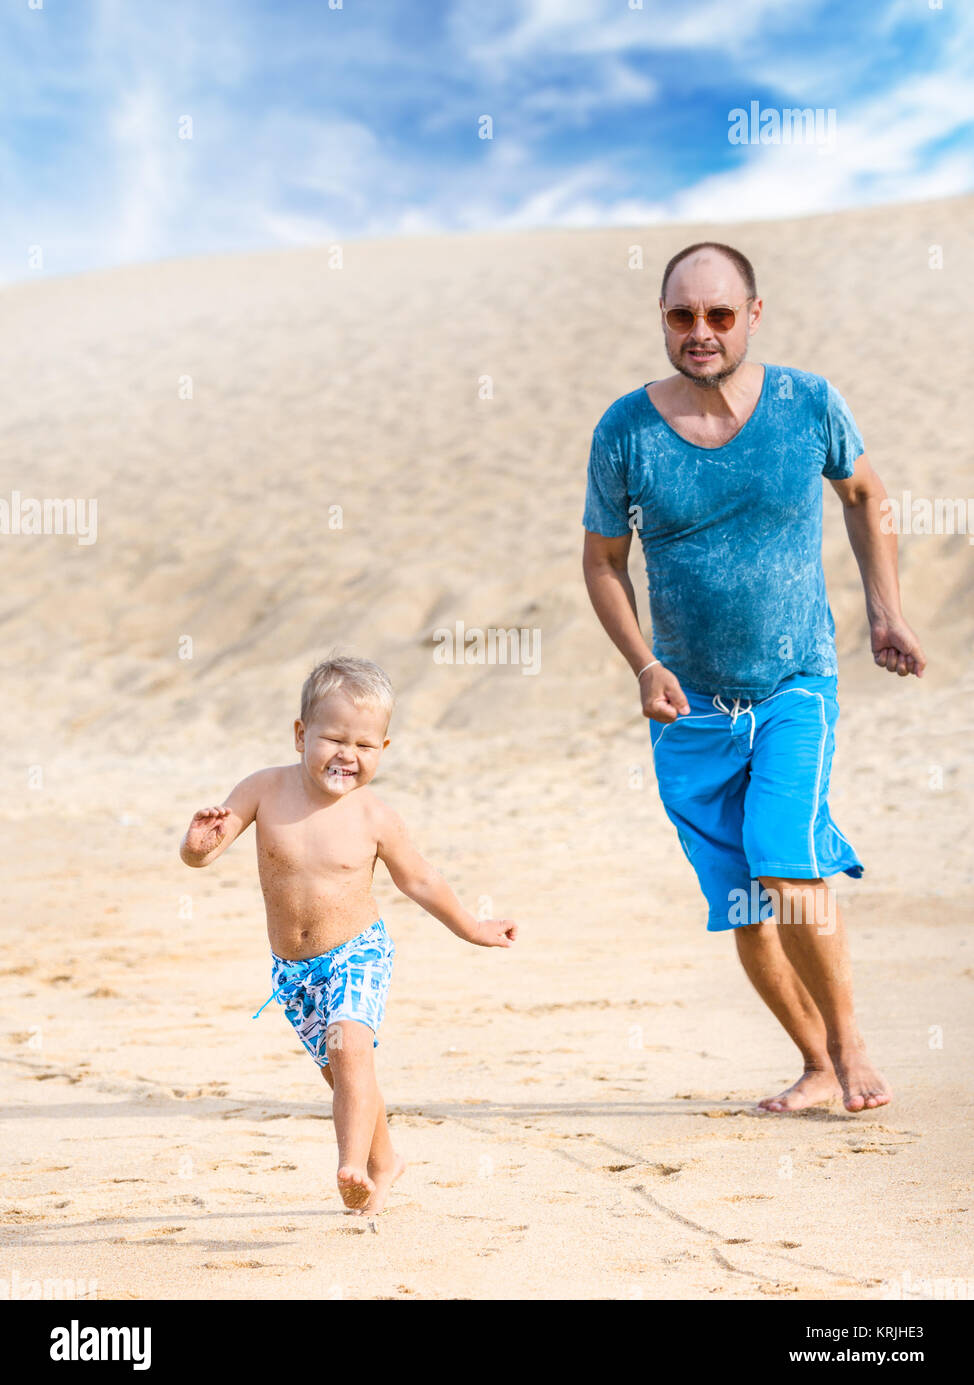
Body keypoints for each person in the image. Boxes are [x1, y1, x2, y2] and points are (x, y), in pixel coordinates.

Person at [582, 241, 925, 1114]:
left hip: (793, 685)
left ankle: (852, 1050)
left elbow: (864, 496)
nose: (701, 332)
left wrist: (885, 610)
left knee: (784, 859)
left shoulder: (808, 403)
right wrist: (645, 663)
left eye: (720, 315)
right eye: (682, 316)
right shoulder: (626, 430)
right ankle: (814, 1063)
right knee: (743, 902)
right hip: (688, 707)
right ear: (663, 319)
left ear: (753, 315)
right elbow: (602, 564)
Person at [179, 656, 518, 1214]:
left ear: (384, 750)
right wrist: (196, 844)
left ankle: (351, 1166)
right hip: (293, 969)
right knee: (342, 1074)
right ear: (299, 734)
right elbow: (204, 855)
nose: (348, 755)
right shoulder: (264, 790)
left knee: (350, 1045)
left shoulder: (375, 818)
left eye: (365, 745)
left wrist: (473, 928)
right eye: (334, 738)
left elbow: (422, 880)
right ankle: (386, 1161)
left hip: (358, 951)